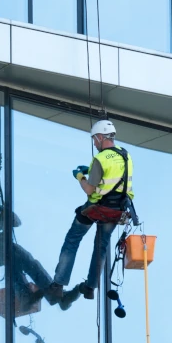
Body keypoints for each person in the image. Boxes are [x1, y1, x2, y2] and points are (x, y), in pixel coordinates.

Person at [0, 181, 80, 311]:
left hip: (1, 246)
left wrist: (3, 210)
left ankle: (37, 297)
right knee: (19, 258)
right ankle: (51, 297)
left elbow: (16, 222)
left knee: (24, 262)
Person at [47, 119, 134, 302]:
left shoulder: (100, 159)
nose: (94, 143)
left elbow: (89, 189)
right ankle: (90, 288)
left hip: (96, 207)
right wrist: (92, 171)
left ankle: (58, 284)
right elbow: (115, 177)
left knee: (73, 239)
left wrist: (80, 176)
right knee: (101, 247)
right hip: (117, 210)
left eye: (95, 139)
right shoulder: (126, 156)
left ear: (101, 137)